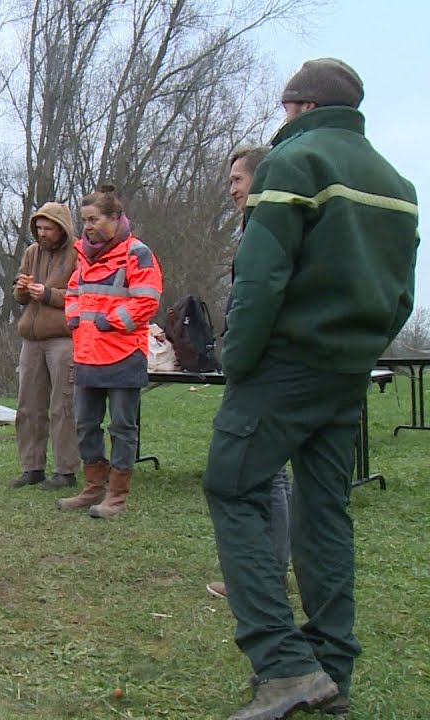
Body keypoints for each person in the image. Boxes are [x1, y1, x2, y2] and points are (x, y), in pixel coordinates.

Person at [205, 59, 417, 720]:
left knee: (231, 487)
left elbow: (262, 275)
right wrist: (359, 349)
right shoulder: (399, 183)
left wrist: (235, 359)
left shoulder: (292, 165)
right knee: (324, 510)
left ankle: (283, 663)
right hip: (348, 371)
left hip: (284, 367)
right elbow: (402, 294)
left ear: (296, 106)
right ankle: (332, 670)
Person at [205, 145, 293, 600]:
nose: (232, 190)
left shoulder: (270, 226)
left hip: (265, 367)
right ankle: (261, 571)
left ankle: (269, 573)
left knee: (268, 471)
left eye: (238, 180)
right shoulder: (251, 226)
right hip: (255, 364)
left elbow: (260, 298)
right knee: (265, 472)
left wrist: (238, 356)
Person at [57, 185, 163, 518]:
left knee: (122, 427)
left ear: (115, 218)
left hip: (123, 354)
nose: (87, 226)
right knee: (85, 424)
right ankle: (92, 489)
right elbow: (74, 290)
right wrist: (74, 317)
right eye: (84, 220)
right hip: (87, 355)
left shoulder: (138, 253)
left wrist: (110, 322)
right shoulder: (84, 256)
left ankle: (116, 497)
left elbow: (148, 299)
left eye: (94, 219)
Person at [10, 202, 79, 490]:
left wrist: (48, 294)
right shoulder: (31, 253)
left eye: (48, 228)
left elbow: (82, 296)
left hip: (63, 338)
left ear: (61, 228)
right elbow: (18, 295)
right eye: (38, 228)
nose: (42, 233)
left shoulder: (78, 253)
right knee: (28, 406)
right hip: (32, 338)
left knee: (62, 406)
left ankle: (65, 471)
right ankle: (32, 466)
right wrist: (22, 290)